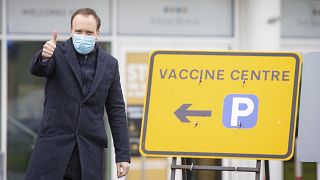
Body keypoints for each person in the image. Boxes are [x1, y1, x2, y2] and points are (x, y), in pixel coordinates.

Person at [25, 8, 130, 180]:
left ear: (97, 34)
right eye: (78, 31)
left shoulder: (110, 64)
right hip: (52, 152)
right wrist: (44, 56)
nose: (83, 36)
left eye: (89, 32)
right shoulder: (56, 53)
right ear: (71, 31)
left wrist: (123, 155)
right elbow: (38, 69)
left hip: (89, 155)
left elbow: (116, 110)